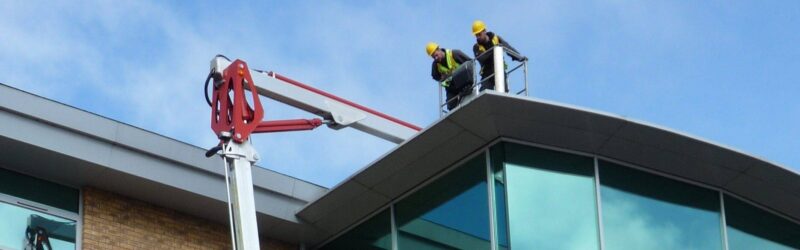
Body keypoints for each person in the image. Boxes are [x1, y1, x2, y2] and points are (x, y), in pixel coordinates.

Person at [471, 20, 526, 92]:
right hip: (487, 74)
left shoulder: (496, 39)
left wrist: (519, 57)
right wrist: (495, 49)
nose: (478, 37)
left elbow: (508, 48)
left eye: (479, 34)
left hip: (500, 70)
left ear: (484, 31)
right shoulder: (476, 47)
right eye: (476, 35)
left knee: (503, 94)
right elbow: (482, 58)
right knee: (485, 95)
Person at [427, 42, 473, 110]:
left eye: (436, 55)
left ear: (439, 49)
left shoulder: (454, 54)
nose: (436, 58)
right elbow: (435, 76)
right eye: (434, 57)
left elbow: (470, 63)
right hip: (451, 87)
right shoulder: (435, 65)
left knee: (467, 98)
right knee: (451, 106)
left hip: (464, 82)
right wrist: (443, 78)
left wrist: (470, 79)